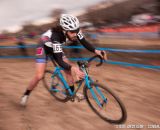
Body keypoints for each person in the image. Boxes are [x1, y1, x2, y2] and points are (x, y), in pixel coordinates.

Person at [20, 14, 107, 106]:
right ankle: (26, 94)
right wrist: (74, 68)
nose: (75, 34)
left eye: (76, 30)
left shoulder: (75, 30)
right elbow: (59, 60)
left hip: (55, 47)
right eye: (72, 32)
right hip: (44, 48)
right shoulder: (55, 36)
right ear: (65, 31)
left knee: (68, 69)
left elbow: (84, 42)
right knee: (39, 76)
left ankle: (71, 93)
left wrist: (96, 51)